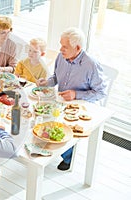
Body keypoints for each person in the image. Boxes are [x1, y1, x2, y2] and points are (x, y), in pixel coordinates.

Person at [37, 27, 107, 171]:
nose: (61, 49)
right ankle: (48, 146)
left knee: (61, 125)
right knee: (38, 114)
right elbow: (56, 77)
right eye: (60, 45)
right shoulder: (61, 57)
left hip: (83, 108)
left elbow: (101, 92)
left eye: (65, 47)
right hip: (62, 103)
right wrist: (47, 82)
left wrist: (76, 94)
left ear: (78, 48)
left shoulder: (91, 65)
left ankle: (68, 155)